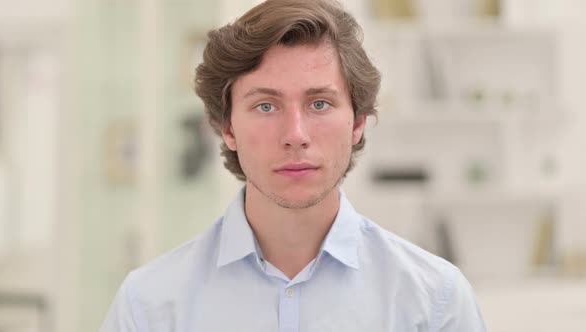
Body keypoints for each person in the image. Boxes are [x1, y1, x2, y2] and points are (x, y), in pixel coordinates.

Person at [100, 0, 486, 331]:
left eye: (319, 103)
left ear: (357, 123)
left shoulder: (436, 302)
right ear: (227, 127)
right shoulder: (149, 307)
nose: (295, 134)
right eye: (266, 106)